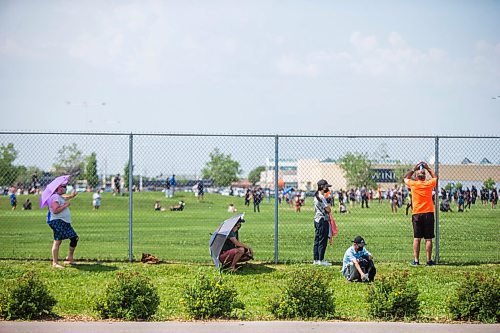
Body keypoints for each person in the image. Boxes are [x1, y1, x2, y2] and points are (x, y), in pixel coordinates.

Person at [404, 162, 438, 266]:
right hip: (428, 213)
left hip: (417, 213)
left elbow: (405, 178)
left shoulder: (413, 184)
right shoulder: (429, 184)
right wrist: (428, 168)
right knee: (428, 238)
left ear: (417, 177)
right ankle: (428, 261)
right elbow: (435, 178)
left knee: (417, 238)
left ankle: (416, 260)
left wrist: (414, 169)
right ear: (425, 177)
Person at [47, 183, 79, 268]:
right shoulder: (54, 197)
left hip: (63, 222)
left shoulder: (58, 197)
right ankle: (55, 263)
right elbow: (55, 210)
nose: (65, 188)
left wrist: (72, 196)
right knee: (59, 241)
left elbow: (65, 198)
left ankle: (69, 258)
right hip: (58, 221)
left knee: (72, 238)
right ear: (58, 188)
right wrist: (65, 205)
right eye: (64, 187)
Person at [313, 179, 332, 266]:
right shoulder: (322, 197)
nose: (327, 188)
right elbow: (328, 209)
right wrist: (329, 204)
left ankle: (316, 260)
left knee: (317, 240)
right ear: (322, 187)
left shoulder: (316, 196)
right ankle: (321, 260)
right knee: (322, 240)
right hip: (322, 220)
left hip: (317, 219)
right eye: (326, 187)